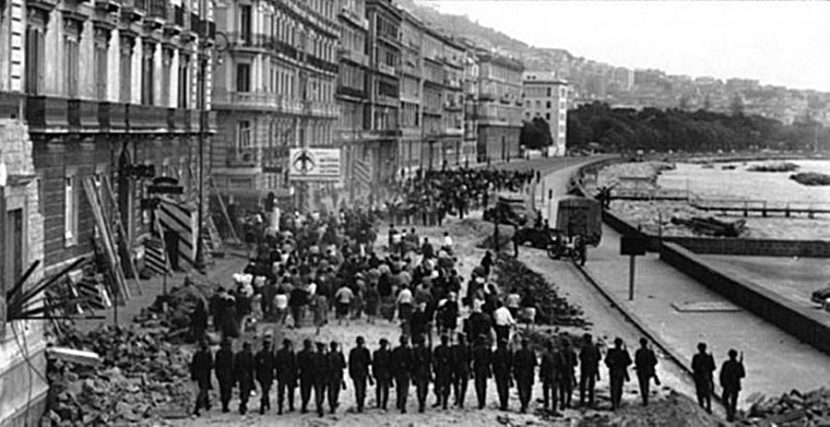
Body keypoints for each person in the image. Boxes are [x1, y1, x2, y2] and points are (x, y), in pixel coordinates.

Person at [605, 337, 632, 411]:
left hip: (614, 372)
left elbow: (607, 361)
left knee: (614, 388)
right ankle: (617, 402)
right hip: (621, 372)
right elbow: (629, 362)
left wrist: (611, 365)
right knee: (619, 388)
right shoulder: (623, 352)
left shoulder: (611, 351)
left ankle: (614, 403)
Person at [720, 349, 746, 422]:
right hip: (733, 385)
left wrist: (722, 382)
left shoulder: (727, 364)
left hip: (729, 385)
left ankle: (730, 414)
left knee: (726, 400)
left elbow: (722, 374)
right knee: (732, 401)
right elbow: (742, 375)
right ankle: (731, 413)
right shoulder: (736, 364)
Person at [349, 336, 373, 413]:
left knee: (359, 389)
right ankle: (360, 404)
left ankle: (360, 404)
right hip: (362, 373)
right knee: (362, 389)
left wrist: (351, 373)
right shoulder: (365, 351)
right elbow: (369, 362)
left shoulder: (353, 351)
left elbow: (351, 363)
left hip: (358, 373)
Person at [513, 338, 537, 413]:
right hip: (529, 373)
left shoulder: (518, 352)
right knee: (528, 389)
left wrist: (515, 373)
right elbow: (535, 364)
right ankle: (526, 403)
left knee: (521, 389)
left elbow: (514, 364)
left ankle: (523, 404)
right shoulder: (531, 352)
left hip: (521, 373)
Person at [691, 342, 716, 413]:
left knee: (700, 392)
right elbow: (713, 367)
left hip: (699, 377)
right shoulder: (708, 357)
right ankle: (708, 407)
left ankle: (701, 405)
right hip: (706, 377)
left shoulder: (696, 357)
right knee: (707, 392)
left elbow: (693, 366)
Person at [190, 340, 213, 416]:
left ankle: (207, 404)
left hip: (199, 375)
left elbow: (192, 365)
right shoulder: (206, 355)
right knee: (203, 391)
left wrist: (193, 375)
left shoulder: (197, 355)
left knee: (203, 389)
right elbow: (211, 365)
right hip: (204, 375)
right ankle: (197, 408)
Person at [391, 335, 413, 413]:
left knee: (400, 388)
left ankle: (400, 402)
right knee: (403, 389)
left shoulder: (397, 350)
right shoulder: (408, 350)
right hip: (403, 372)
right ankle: (402, 402)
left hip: (400, 372)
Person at [275, 339, 298, 414]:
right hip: (289, 375)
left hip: (283, 375)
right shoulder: (291, 353)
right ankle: (290, 406)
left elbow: (277, 365)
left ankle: (280, 408)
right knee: (290, 392)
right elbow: (294, 365)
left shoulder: (280, 353)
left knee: (282, 392)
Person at [579, 333, 601, 408]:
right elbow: (599, 357)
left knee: (583, 384)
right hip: (593, 368)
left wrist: (586, 360)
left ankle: (582, 400)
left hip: (585, 368)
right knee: (591, 385)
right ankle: (591, 400)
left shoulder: (584, 347)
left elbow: (581, 357)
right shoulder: (595, 347)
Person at [255, 337, 276, 414]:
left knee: (265, 389)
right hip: (267, 375)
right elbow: (274, 364)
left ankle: (267, 403)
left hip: (262, 375)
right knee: (265, 390)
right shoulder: (269, 354)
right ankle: (263, 404)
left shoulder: (259, 354)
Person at [411, 336, 432, 413]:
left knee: (425, 388)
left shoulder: (426, 350)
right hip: (418, 371)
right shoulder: (415, 351)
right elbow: (413, 362)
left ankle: (423, 401)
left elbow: (429, 361)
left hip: (425, 371)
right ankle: (421, 403)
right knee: (420, 388)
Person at [634, 337, 658, 406]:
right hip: (648, 370)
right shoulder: (650, 352)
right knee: (647, 384)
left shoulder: (638, 352)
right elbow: (655, 361)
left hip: (641, 370)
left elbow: (636, 361)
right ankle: (646, 397)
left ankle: (644, 398)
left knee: (642, 384)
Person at [234, 341, 256, 415]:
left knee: (243, 391)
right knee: (246, 391)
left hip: (242, 376)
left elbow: (235, 366)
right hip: (247, 376)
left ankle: (243, 404)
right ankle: (243, 404)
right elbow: (252, 366)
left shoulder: (238, 355)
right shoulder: (249, 355)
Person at [471, 335, 492, 409]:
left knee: (478, 385)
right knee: (484, 385)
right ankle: (483, 401)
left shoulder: (475, 349)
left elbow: (473, 359)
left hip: (478, 368)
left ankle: (480, 401)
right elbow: (490, 360)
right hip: (485, 368)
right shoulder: (487, 349)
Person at [433, 334, 453, 409]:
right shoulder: (438, 349)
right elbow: (434, 359)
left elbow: (452, 360)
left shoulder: (450, 349)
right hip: (440, 369)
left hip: (446, 370)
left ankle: (444, 402)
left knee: (446, 386)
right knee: (438, 386)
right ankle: (439, 400)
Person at [451, 333, 472, 408]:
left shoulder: (455, 348)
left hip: (457, 367)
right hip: (465, 366)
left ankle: (457, 399)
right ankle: (461, 400)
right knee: (464, 384)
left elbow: (453, 359)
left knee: (456, 384)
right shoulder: (468, 347)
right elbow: (470, 358)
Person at [492, 338, 513, 411]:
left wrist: (494, 371)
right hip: (506, 372)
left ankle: (502, 403)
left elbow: (493, 362)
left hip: (499, 372)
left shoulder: (496, 352)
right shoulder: (508, 352)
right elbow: (511, 363)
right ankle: (505, 403)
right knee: (506, 387)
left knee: (500, 387)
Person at [326, 341, 347, 414]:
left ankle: (333, 404)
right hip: (334, 375)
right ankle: (332, 405)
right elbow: (344, 365)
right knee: (334, 391)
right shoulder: (337, 355)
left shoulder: (329, 355)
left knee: (333, 391)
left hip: (335, 375)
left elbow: (344, 365)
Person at [215, 339, 234, 413]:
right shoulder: (229, 353)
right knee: (227, 390)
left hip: (221, 374)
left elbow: (216, 365)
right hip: (228, 374)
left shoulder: (219, 353)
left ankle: (224, 405)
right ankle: (225, 405)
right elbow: (232, 365)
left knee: (223, 390)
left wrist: (217, 374)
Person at [373, 338, 392, 410]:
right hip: (382, 372)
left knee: (383, 389)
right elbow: (374, 364)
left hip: (383, 372)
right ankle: (382, 404)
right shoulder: (379, 353)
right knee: (382, 389)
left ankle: (382, 404)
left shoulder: (381, 353)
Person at [297, 339, 315, 413]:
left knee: (304, 391)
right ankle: (304, 404)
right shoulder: (312, 354)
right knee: (308, 391)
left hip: (303, 374)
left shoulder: (300, 354)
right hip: (309, 374)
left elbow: (297, 364)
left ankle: (304, 404)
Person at [559, 338, 578, 409]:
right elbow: (576, 363)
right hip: (570, 371)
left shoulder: (560, 352)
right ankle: (568, 402)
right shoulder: (572, 353)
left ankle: (562, 402)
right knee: (569, 388)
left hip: (562, 372)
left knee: (562, 388)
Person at [312, 342, 329, 417]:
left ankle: (319, 404)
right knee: (319, 392)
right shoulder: (316, 356)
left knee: (321, 392)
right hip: (318, 376)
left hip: (322, 376)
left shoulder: (324, 356)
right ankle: (319, 406)